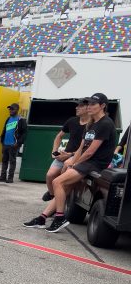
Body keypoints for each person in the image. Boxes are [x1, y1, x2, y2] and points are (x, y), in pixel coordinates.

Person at [23, 93, 117, 233]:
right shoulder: (92, 123)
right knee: (64, 187)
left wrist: (75, 163)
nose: (89, 107)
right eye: (89, 104)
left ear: (102, 106)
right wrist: (72, 160)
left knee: (57, 183)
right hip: (86, 161)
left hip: (95, 163)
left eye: (93, 104)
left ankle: (60, 218)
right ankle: (42, 218)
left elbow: (90, 152)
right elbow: (81, 148)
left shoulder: (105, 123)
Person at [41, 100, 89, 201]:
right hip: (63, 155)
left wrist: (70, 155)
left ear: (87, 108)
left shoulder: (91, 125)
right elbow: (59, 136)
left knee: (61, 181)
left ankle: (59, 201)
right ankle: (52, 194)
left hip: (77, 156)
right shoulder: (72, 121)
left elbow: (86, 148)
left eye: (80, 106)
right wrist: (54, 151)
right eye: (77, 106)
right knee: (50, 175)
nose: (77, 108)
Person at [0, 103, 27, 183]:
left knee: (12, 161)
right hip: (5, 143)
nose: (10, 110)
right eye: (10, 109)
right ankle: (3, 176)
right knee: (4, 160)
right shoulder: (8, 119)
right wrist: (1, 137)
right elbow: (4, 129)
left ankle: (10, 178)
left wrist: (18, 143)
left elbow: (24, 133)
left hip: (14, 144)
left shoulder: (21, 120)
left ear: (17, 110)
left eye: (12, 109)